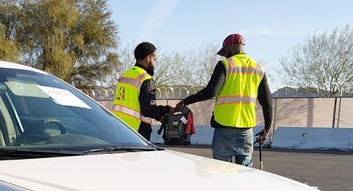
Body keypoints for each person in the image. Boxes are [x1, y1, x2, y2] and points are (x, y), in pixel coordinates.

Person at [173, 34, 272, 166]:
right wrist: (266, 128)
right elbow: (267, 102)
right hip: (246, 131)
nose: (225, 55)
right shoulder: (258, 68)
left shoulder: (225, 64)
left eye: (225, 51)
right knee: (244, 175)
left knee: (221, 173)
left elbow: (210, 92)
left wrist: (185, 102)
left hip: (224, 129)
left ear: (230, 47)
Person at [111, 42, 172, 141]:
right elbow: (148, 110)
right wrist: (167, 109)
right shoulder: (146, 79)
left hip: (118, 128)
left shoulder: (124, 76)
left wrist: (158, 116)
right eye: (154, 59)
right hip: (137, 131)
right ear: (148, 58)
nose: (155, 63)